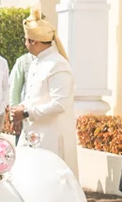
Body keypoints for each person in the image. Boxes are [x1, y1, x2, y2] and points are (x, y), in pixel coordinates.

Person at [7, 11, 78, 169]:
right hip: (32, 136)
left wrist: (26, 113)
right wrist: (21, 107)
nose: (24, 43)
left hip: (50, 139)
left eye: (26, 40)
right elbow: (33, 96)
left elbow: (60, 105)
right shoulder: (36, 63)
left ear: (34, 41)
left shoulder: (58, 65)